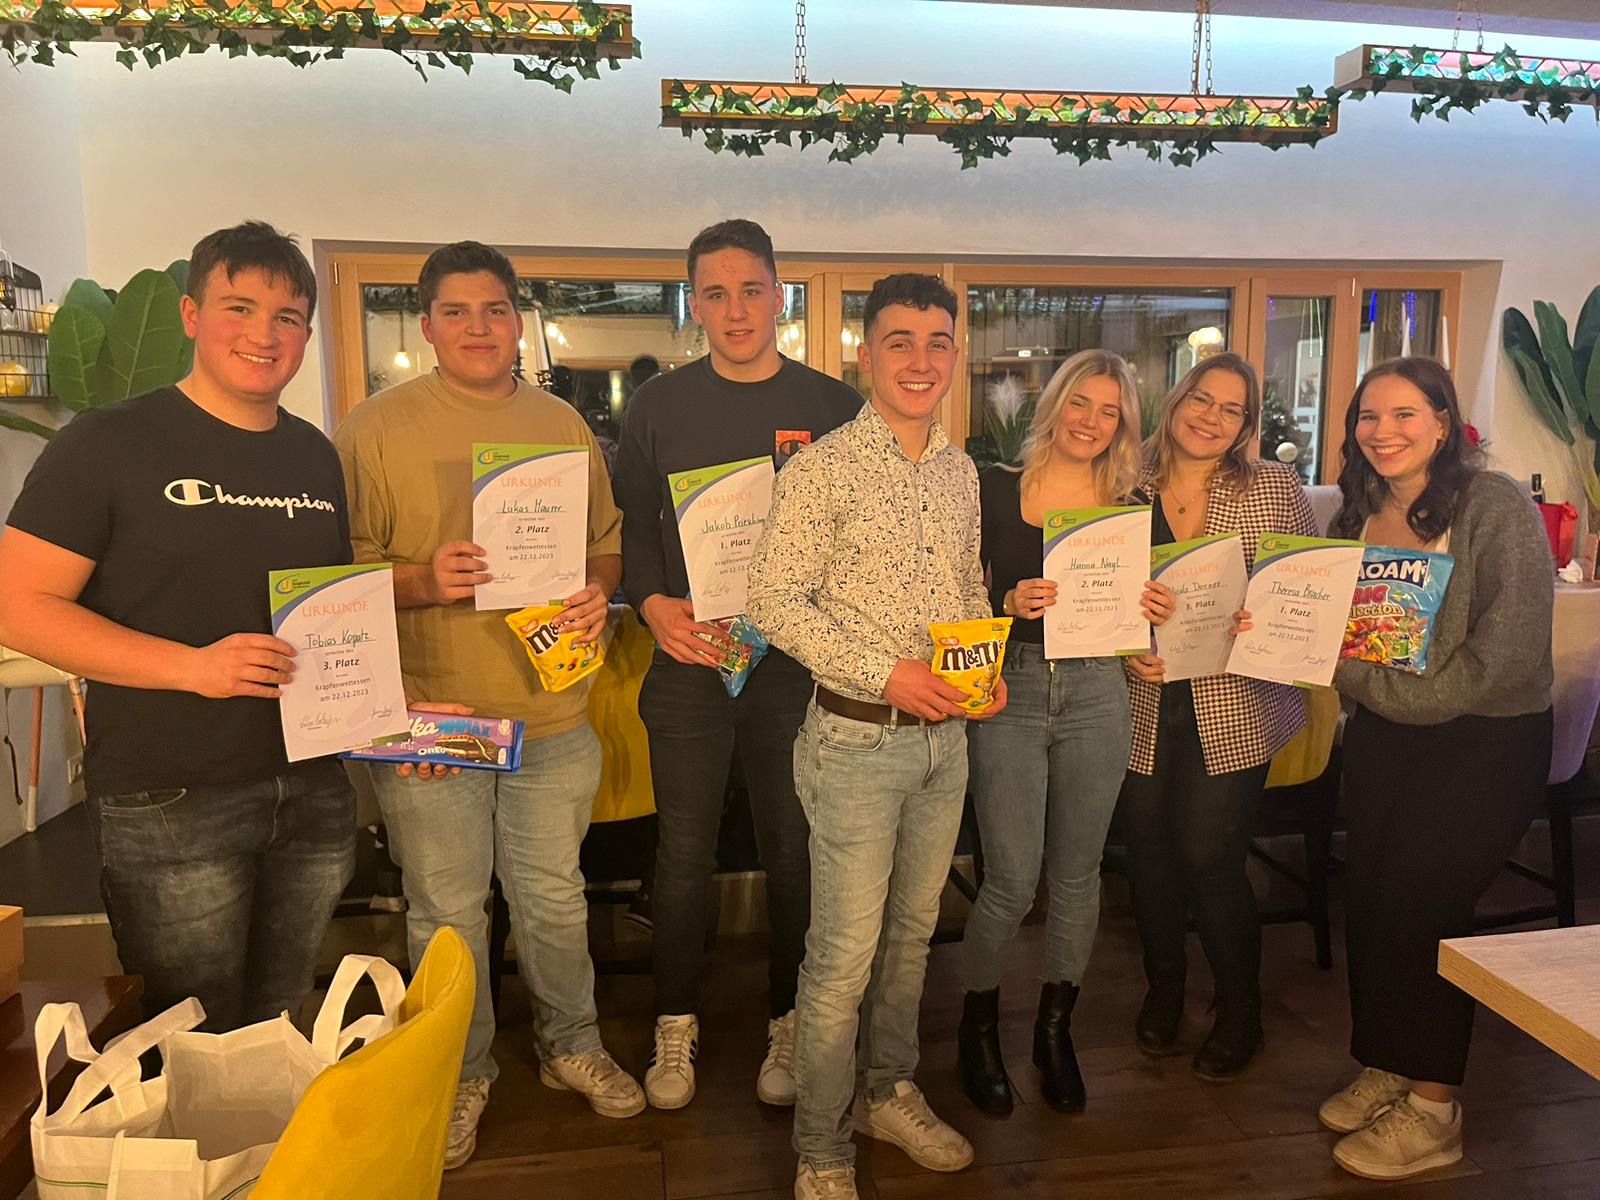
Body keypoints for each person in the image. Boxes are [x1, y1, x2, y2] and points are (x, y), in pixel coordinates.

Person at [0, 221, 354, 1033]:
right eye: (240, 308)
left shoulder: (313, 455)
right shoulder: (106, 443)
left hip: (312, 786)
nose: (265, 334)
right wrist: (192, 668)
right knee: (191, 1034)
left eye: (288, 317)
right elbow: (18, 605)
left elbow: (328, 609)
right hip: (171, 795)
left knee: (279, 1020)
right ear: (192, 315)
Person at [334, 240, 641, 1169]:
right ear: (426, 325)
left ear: (518, 320)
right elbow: (333, 580)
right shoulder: (372, 429)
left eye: (496, 309)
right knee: (446, 915)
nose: (479, 327)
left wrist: (595, 592)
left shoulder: (561, 424)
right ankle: (459, 1072)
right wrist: (423, 580)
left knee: (554, 900)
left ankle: (569, 1044)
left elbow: (605, 544)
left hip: (551, 714)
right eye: (457, 311)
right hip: (432, 720)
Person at [747, 273, 1003, 1200]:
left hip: (945, 746)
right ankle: (821, 1147)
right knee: (842, 960)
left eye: (938, 342)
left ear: (955, 356)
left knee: (911, 940)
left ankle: (886, 1092)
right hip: (855, 743)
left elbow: (967, 586)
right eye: (901, 341)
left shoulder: (960, 470)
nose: (921, 360)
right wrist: (884, 671)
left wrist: (981, 665)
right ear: (866, 355)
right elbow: (772, 601)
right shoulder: (820, 470)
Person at [612, 219, 859, 1110]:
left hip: (794, 666)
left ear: (779, 295)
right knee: (682, 852)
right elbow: (635, 532)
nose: (736, 309)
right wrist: (651, 604)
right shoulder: (657, 407)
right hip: (689, 660)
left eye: (751, 290)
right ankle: (674, 1021)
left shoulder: (835, 407)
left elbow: (855, 540)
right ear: (695, 304)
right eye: (715, 293)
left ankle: (790, 1019)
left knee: (793, 847)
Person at [1316, 357, 1552, 1181]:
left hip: (1485, 740)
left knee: (1427, 907)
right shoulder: (1354, 513)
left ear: (1444, 422)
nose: (1382, 432)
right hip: (1386, 732)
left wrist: (1372, 687)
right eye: (1368, 416)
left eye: (1405, 414)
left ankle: (1435, 1107)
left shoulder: (1495, 505)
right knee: (1374, 899)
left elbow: (1507, 653)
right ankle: (1389, 1061)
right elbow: (1334, 630)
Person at [957, 349, 1170, 1117]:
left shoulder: (1135, 505)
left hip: (1097, 691)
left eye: (1110, 412)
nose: (1092, 422)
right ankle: (977, 1031)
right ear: (1054, 405)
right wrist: (1004, 602)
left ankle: (1055, 1034)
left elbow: (1149, 610)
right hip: (1010, 686)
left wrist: (1152, 634)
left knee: (1078, 877)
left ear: (1124, 426)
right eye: (1081, 403)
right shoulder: (991, 487)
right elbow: (953, 600)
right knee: (1012, 880)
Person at [1119, 352, 1317, 1081]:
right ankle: (1165, 987)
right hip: (1139, 698)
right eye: (1202, 399)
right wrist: (1123, 647)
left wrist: (1266, 616)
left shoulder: (1272, 486)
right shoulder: (1121, 479)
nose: (1212, 417)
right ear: (1177, 400)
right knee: (1147, 853)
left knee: (1209, 855)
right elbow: (1093, 593)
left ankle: (1241, 1007)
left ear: (1246, 426)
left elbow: (1306, 585)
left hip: (1234, 698)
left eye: (1232, 409)